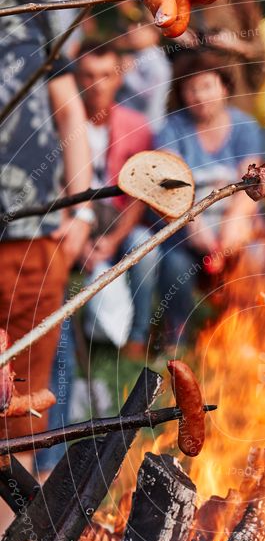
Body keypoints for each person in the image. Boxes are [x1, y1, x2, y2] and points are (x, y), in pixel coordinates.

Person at [0, 0, 93, 531]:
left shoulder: (49, 9)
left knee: (23, 402)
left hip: (32, 233)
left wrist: (82, 207)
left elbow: (70, 110)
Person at [155, 51, 265, 343]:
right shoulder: (172, 129)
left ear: (224, 88)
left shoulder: (245, 127)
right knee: (174, 266)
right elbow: (173, 189)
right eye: (191, 89)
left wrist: (233, 226)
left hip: (236, 226)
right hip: (189, 227)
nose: (200, 96)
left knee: (255, 257)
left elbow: (250, 186)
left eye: (207, 86)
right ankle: (175, 335)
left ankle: (240, 330)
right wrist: (196, 228)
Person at [75, 39, 156, 359]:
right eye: (88, 75)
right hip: (75, 221)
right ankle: (68, 340)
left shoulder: (136, 127)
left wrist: (113, 240)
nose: (97, 85)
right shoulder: (62, 126)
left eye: (106, 75)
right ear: (77, 79)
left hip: (118, 220)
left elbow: (140, 195)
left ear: (119, 78)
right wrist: (78, 240)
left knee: (145, 248)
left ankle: (136, 337)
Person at [118, 13, 173, 133]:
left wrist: (128, 74)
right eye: (132, 26)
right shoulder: (137, 56)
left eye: (140, 27)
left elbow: (148, 97)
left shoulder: (156, 63)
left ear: (155, 35)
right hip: (131, 126)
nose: (132, 30)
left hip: (146, 130)